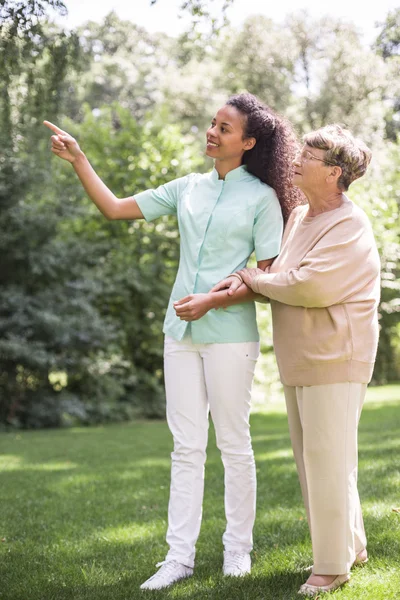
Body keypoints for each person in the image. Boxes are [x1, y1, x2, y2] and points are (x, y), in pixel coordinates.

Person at [44, 93, 302, 590]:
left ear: (247, 142)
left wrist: (213, 301)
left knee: (233, 444)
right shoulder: (188, 187)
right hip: (178, 333)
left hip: (229, 336)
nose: (212, 132)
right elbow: (117, 209)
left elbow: (267, 278)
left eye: (224, 129)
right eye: (212, 124)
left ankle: (237, 552)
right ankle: (178, 558)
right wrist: (80, 159)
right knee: (186, 447)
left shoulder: (263, 199)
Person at [212, 124, 380, 596]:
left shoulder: (350, 224)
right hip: (300, 356)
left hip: (336, 356)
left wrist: (253, 278)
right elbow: (284, 279)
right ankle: (352, 545)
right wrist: (251, 283)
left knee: (327, 459)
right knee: (318, 460)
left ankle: (331, 566)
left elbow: (310, 284)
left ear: (334, 173)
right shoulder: (300, 216)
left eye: (309, 154)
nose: (297, 158)